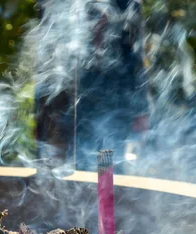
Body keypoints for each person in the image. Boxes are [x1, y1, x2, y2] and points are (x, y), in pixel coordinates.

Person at [36, 0, 150, 173]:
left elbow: (135, 55)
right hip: (66, 102)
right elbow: (46, 56)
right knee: (61, 178)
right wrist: (42, 112)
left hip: (114, 100)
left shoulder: (126, 4)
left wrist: (140, 109)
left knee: (110, 171)